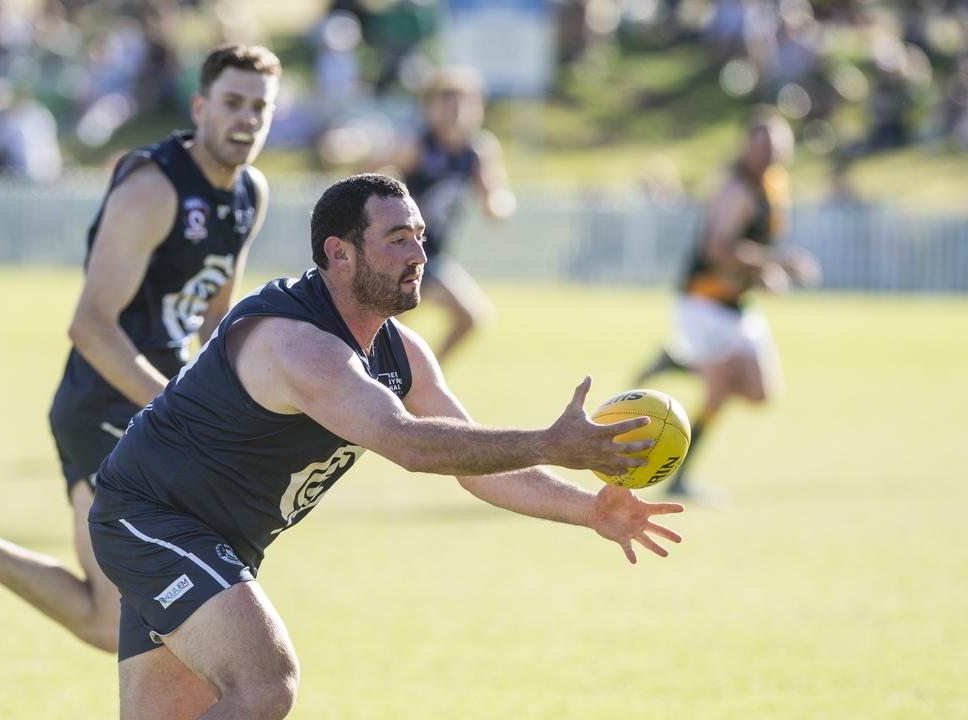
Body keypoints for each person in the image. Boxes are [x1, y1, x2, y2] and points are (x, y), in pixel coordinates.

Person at [87, 173, 685, 718]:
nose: (421, 255)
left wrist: (589, 507)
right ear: (339, 254)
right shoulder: (299, 345)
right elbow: (414, 447)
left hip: (217, 541)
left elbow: (476, 466)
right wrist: (553, 443)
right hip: (151, 519)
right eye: (397, 239)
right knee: (265, 686)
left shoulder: (402, 352)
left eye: (421, 237)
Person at [0, 44, 282, 654]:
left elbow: (213, 317)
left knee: (169, 606)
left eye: (260, 107)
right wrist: (180, 413)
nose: (247, 119)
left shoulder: (248, 192)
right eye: (232, 103)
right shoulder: (154, 190)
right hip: (105, 403)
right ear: (200, 106)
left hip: (159, 413)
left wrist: (239, 403)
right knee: (123, 619)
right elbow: (91, 326)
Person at [635, 109, 819, 499]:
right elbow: (718, 249)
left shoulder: (774, 185)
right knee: (718, 391)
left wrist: (762, 275)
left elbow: (749, 251)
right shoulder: (736, 190)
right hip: (703, 302)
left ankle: (677, 361)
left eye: (777, 145)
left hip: (737, 305)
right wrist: (776, 263)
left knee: (760, 392)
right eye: (762, 144)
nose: (769, 153)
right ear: (746, 146)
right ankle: (679, 479)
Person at [379, 66, 515, 362]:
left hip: (433, 256)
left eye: (466, 101)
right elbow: (368, 172)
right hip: (398, 255)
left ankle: (422, 380)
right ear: (429, 106)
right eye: (447, 100)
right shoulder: (417, 145)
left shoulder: (477, 150)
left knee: (471, 318)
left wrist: (498, 204)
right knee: (386, 330)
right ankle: (400, 383)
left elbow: (495, 194)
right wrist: (398, 202)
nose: (456, 110)